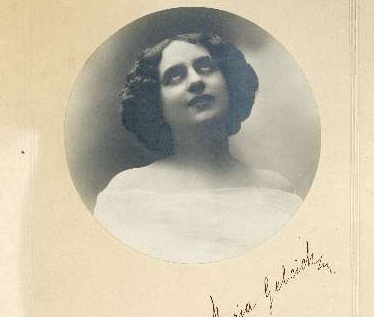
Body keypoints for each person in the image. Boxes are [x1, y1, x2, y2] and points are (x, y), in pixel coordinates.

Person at [94, 32, 302, 263]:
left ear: (229, 82)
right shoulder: (127, 192)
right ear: (155, 103)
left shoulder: (277, 191)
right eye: (175, 76)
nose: (195, 81)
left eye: (206, 68)